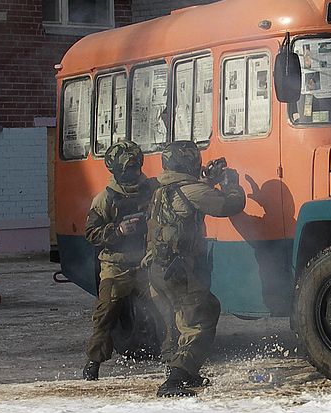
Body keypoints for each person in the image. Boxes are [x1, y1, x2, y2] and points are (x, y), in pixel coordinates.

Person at [144, 140, 245, 397]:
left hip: (159, 269)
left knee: (181, 323)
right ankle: (174, 380)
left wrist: (208, 179)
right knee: (200, 319)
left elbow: (193, 199)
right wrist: (231, 183)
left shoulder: (162, 189)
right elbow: (229, 205)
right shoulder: (189, 190)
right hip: (179, 270)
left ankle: (186, 372)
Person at [82, 140, 162, 381]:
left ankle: (175, 359)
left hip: (147, 262)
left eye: (137, 167)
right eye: (129, 169)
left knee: (168, 308)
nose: (135, 173)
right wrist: (118, 231)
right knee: (106, 313)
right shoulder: (104, 199)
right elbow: (91, 234)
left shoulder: (152, 189)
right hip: (116, 265)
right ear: (116, 170)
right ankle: (93, 362)